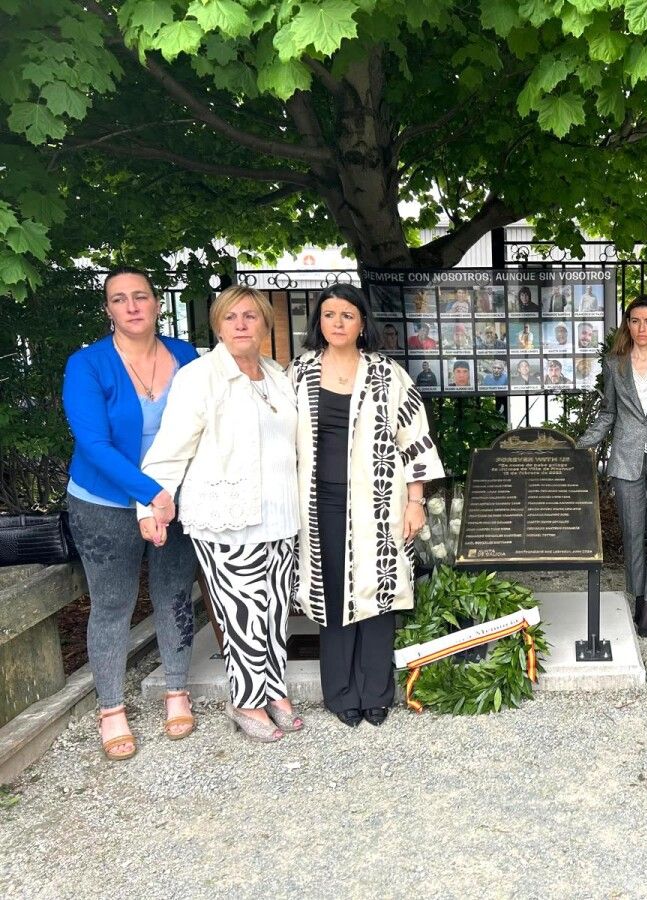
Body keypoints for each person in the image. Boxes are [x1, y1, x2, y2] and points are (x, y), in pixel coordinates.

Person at [138, 285, 302, 743]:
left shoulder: (276, 375)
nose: (241, 325)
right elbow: (169, 450)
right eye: (231, 318)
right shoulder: (200, 377)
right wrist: (150, 504)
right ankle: (245, 699)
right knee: (241, 612)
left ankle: (273, 688)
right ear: (218, 325)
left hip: (279, 514)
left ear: (266, 323)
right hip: (228, 515)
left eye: (250, 316)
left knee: (272, 610)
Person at [289, 285, 445, 728]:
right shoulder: (298, 374)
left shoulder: (387, 374)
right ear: (318, 321)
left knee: (378, 590)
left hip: (379, 502)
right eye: (329, 314)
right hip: (317, 503)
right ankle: (340, 693)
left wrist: (416, 501)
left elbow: (414, 440)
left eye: (347, 315)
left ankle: (377, 692)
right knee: (330, 593)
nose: (337, 322)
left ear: (362, 324)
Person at [63, 267, 200, 761]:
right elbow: (94, 444)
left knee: (174, 593)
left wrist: (172, 496)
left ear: (157, 303)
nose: (132, 306)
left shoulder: (186, 357)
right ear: (109, 310)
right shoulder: (88, 364)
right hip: (105, 504)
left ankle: (177, 690)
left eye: (140, 296)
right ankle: (112, 708)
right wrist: (151, 494)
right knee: (114, 603)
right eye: (119, 300)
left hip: (176, 501)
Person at [578, 295, 647, 637]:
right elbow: (608, 412)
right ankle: (638, 594)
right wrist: (580, 446)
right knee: (633, 533)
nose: (641, 327)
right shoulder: (614, 364)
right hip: (625, 459)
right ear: (628, 324)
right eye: (635, 321)